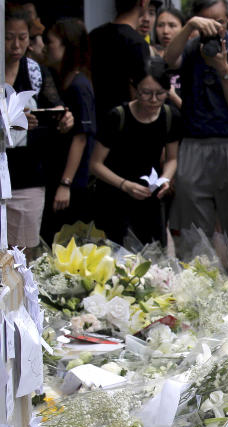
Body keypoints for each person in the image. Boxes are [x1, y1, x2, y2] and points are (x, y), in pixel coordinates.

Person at [165, 0, 228, 271]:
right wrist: (189, 28)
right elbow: (167, 61)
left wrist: (222, 67)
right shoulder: (190, 48)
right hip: (194, 145)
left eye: (217, 20)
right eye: (204, 20)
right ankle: (198, 296)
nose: (212, 27)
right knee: (194, 237)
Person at [5, 7, 74, 257]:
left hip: (28, 172)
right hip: (4, 166)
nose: (16, 44)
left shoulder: (34, 71)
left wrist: (64, 117)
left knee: (22, 253)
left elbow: (54, 105)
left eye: (22, 37)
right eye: (8, 36)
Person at [90, 58, 181, 246]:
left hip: (150, 197)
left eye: (160, 94)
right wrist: (125, 185)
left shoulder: (170, 116)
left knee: (153, 257)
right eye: (146, 93)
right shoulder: (117, 117)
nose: (153, 100)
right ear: (135, 88)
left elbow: (172, 158)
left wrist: (165, 179)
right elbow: (95, 164)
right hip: (115, 196)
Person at [41, 18, 97, 244]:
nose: (47, 47)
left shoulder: (79, 86)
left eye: (51, 42)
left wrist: (66, 184)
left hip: (73, 183)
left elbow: (81, 137)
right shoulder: (60, 81)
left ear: (67, 46)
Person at [90, 0, 151, 128]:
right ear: (143, 2)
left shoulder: (94, 36)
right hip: (124, 126)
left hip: (96, 122)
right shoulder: (137, 43)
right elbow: (140, 94)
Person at [154, 7, 185, 108]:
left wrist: (174, 97)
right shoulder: (150, 58)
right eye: (160, 25)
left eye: (172, 25)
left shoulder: (191, 59)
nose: (165, 31)